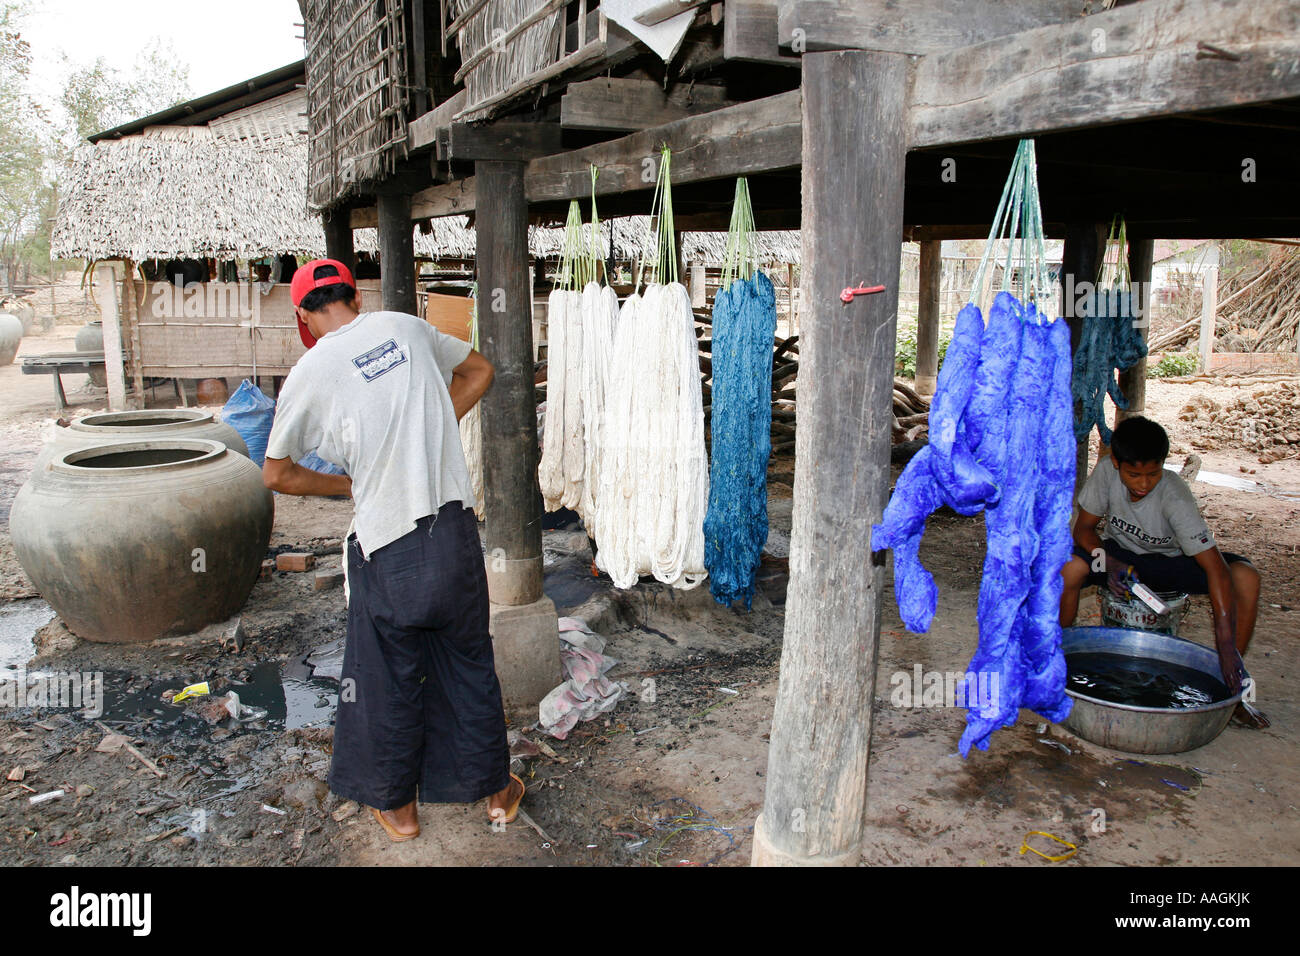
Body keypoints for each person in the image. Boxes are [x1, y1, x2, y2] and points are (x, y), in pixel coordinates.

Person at [262, 259, 524, 841]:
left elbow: (276, 474)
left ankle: (400, 814)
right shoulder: (407, 327)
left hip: (388, 545)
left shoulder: (312, 369)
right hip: (453, 535)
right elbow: (480, 371)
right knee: (470, 666)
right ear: (355, 297)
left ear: (304, 313)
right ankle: (499, 796)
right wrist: (430, 431)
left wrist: (346, 483)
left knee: (384, 677)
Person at [1059, 416, 1265, 725]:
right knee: (1069, 568)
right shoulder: (1106, 473)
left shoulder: (1173, 493)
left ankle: (1231, 692)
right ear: (1115, 462)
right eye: (1134, 474)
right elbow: (1084, 531)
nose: (1143, 484)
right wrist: (1110, 562)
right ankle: (1051, 663)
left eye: (1152, 474)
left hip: (1171, 564)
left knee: (1246, 579)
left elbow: (1217, 570)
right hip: (1118, 559)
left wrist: (1225, 647)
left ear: (1163, 465)